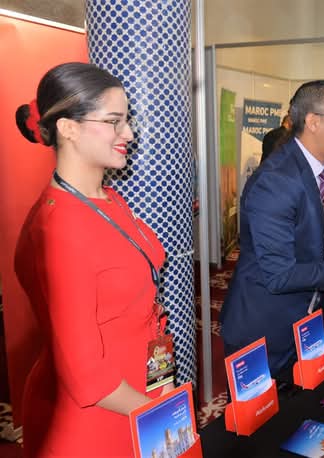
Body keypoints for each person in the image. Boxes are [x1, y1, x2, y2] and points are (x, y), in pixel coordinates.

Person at [13, 62, 169, 456]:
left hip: (140, 392)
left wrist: (159, 388)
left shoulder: (108, 199)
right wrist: (164, 415)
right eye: (114, 121)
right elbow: (86, 375)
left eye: (127, 120)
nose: (128, 133)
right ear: (68, 128)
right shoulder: (57, 228)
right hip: (97, 419)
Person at [220, 80, 324, 376]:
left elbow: (316, 241)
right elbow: (279, 274)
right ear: (313, 122)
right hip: (265, 334)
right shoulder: (276, 181)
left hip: (306, 323)